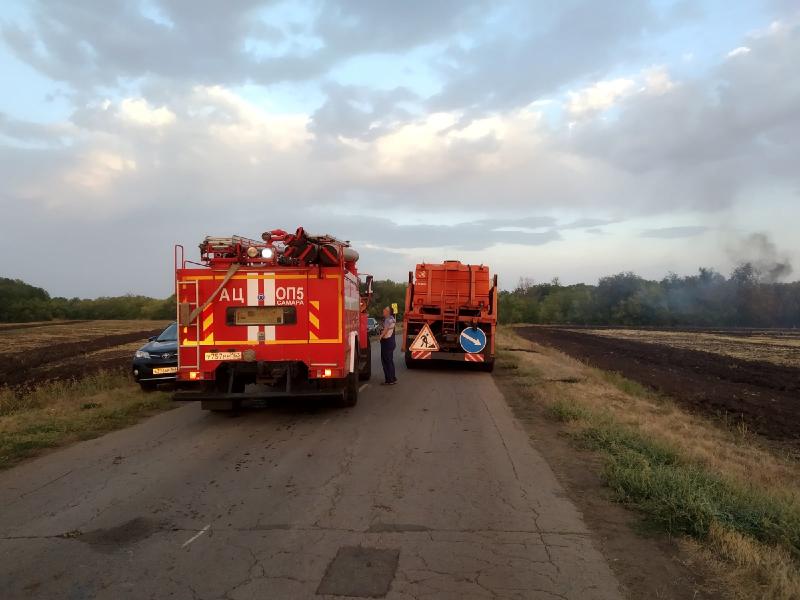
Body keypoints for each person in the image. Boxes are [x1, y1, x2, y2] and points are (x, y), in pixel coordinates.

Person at [379, 306, 397, 385]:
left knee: (386, 361)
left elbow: (386, 329)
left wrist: (381, 336)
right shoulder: (392, 319)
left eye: (385, 310)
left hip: (386, 342)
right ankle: (393, 378)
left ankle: (389, 380)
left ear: (388, 312)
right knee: (390, 361)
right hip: (391, 342)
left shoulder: (387, 320)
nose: (383, 310)